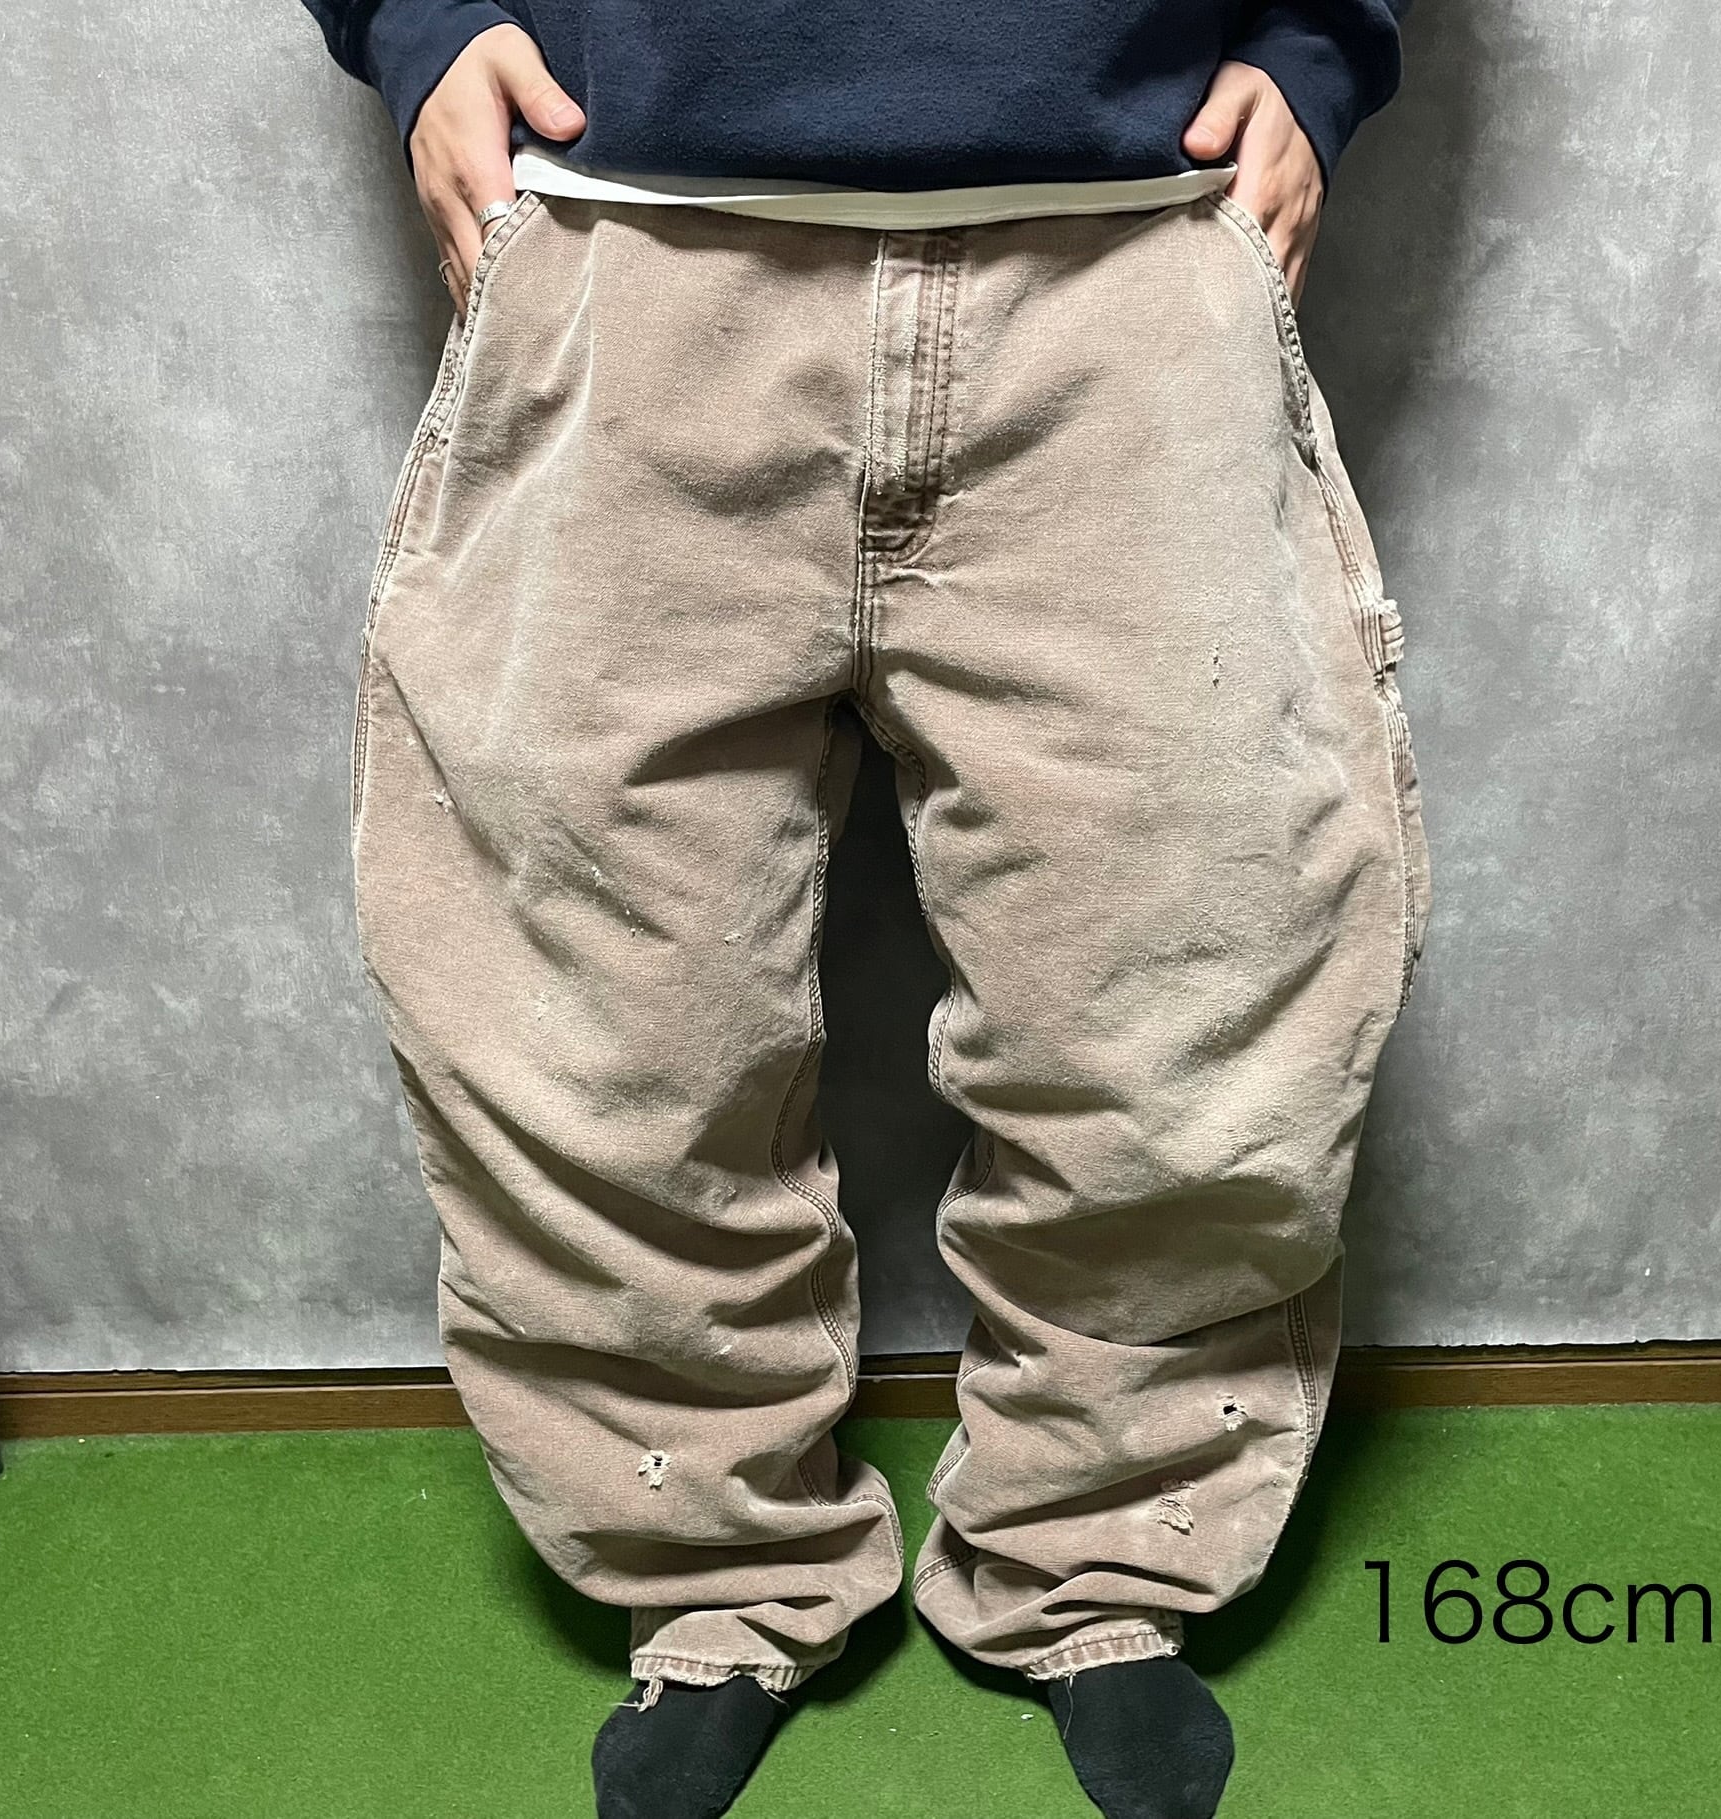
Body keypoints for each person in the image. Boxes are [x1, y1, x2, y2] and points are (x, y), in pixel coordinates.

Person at [302, 3, 1430, 1815]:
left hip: (1127, 248)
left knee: (1185, 987)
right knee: (598, 1017)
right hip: (626, 241)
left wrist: (1316, 45)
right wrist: (422, 21)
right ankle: (708, 1565)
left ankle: (1107, 1553)